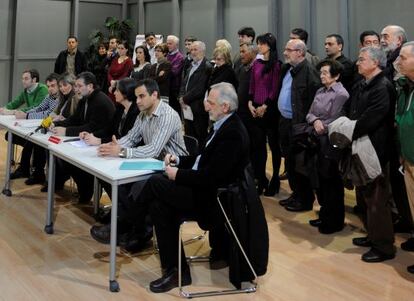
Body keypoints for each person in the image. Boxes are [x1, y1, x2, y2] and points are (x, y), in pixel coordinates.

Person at [145, 82, 250, 293]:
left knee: (156, 182)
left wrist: (178, 175)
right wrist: (179, 160)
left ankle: (130, 222)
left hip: (215, 200)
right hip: (204, 191)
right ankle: (177, 272)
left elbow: (211, 177)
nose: (205, 107)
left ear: (225, 107)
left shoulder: (233, 134)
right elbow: (202, 160)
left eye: (210, 103)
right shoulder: (222, 125)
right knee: (159, 206)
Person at [89, 79, 188, 252]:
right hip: (152, 163)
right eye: (136, 97)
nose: (138, 101)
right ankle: (133, 229)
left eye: (142, 96)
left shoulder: (167, 115)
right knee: (118, 181)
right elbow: (132, 138)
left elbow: (153, 148)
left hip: (173, 167)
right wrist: (115, 146)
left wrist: (121, 152)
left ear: (155, 95)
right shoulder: (143, 114)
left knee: (139, 186)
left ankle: (133, 230)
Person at [342, 47, 396, 262]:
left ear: (375, 62)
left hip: (376, 150)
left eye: (362, 59)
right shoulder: (362, 84)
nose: (357, 62)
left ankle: (384, 247)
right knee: (366, 196)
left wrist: (347, 130)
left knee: (377, 200)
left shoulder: (383, 87)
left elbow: (371, 119)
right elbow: (350, 110)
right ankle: (373, 236)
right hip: (361, 146)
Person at [51, 72, 116, 203]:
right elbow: (75, 119)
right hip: (88, 140)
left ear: (90, 86)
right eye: (76, 86)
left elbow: (92, 127)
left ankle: (87, 191)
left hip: (101, 142)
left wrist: (66, 131)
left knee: (72, 159)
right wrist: (56, 124)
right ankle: (83, 191)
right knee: (64, 156)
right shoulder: (85, 99)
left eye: (79, 86)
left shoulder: (100, 101)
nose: (76, 89)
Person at [306, 59, 349, 234]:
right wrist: (315, 120)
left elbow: (334, 119)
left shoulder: (341, 94)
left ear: (336, 75)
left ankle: (335, 221)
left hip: (331, 141)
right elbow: (310, 114)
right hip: (316, 139)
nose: (321, 75)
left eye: (325, 72)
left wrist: (318, 123)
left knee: (332, 181)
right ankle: (324, 214)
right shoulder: (319, 90)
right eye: (321, 72)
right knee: (321, 180)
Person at [277, 39, 321, 212]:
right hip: (285, 121)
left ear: (300, 53)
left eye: (289, 49)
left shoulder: (310, 72)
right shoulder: (287, 69)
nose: (285, 52)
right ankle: (296, 194)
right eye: (285, 48)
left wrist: (307, 125)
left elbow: (314, 102)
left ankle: (305, 199)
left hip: (299, 126)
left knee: (300, 164)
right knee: (289, 161)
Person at [248, 33, 281, 196]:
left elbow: (275, 89)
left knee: (274, 147)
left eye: (261, 44)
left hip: (270, 110)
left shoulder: (276, 65)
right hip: (255, 108)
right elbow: (252, 85)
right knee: (258, 147)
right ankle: (261, 179)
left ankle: (275, 179)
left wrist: (265, 106)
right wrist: (249, 102)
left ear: (269, 45)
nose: (259, 46)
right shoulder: (256, 64)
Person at [13, 73, 61, 185]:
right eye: (48, 86)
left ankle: (38, 173)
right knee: (30, 139)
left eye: (53, 86)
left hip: (55, 129)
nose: (50, 89)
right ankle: (26, 169)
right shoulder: (49, 96)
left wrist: (26, 116)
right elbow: (39, 108)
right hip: (45, 126)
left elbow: (48, 114)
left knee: (36, 143)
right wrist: (24, 113)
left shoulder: (60, 98)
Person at [0, 69, 48, 179]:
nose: (23, 81)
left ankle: (25, 169)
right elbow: (16, 102)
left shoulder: (43, 90)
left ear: (34, 80)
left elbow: (36, 107)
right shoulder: (26, 90)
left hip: (41, 124)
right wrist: (4, 109)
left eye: (26, 78)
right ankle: (26, 167)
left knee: (29, 141)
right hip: (30, 123)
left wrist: (12, 112)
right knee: (10, 135)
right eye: (22, 78)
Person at [394, 41, 414, 273]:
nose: (398, 62)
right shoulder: (403, 86)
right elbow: (400, 120)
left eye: (403, 58)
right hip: (408, 157)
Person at [80, 78, 139, 145]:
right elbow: (109, 130)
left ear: (125, 92)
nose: (114, 93)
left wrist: (100, 141)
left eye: (117, 90)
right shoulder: (120, 109)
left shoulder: (136, 112)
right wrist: (91, 135)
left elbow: (126, 138)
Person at [179, 41, 212, 143]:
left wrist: (184, 99)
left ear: (202, 51)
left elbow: (200, 88)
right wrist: (180, 97)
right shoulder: (190, 65)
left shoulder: (207, 66)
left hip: (198, 108)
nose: (192, 52)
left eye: (195, 50)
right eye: (191, 50)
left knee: (200, 135)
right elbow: (183, 83)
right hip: (187, 107)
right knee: (189, 136)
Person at [166, 35, 184, 114]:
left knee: (175, 111)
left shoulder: (179, 57)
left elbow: (174, 72)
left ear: (176, 45)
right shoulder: (166, 55)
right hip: (166, 87)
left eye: (170, 44)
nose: (168, 45)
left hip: (174, 88)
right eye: (167, 43)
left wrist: (164, 71)